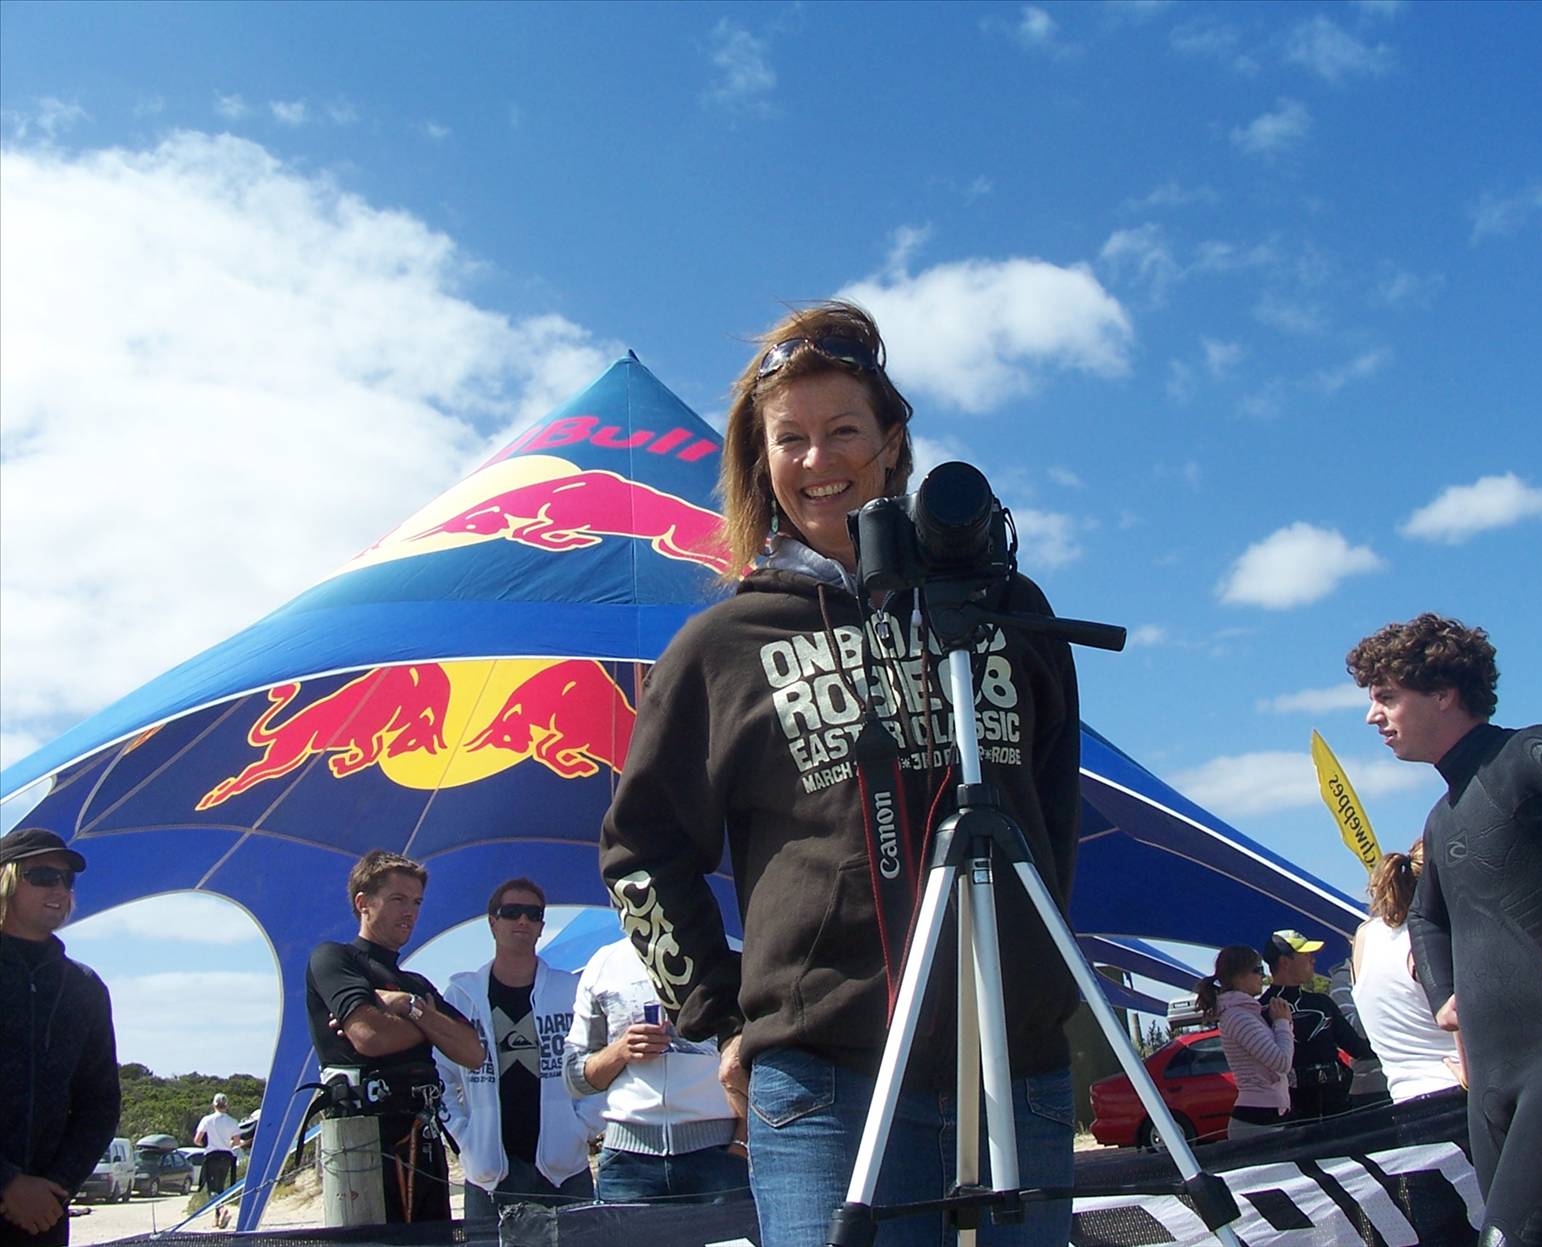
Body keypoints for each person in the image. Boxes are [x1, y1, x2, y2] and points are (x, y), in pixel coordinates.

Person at [599, 301, 1082, 1246]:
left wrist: (1034, 972)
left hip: (1017, 1062)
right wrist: (722, 1016)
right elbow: (638, 852)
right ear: (762, 461)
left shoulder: (1009, 609)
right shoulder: (723, 644)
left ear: (893, 443)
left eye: (844, 431)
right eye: (791, 439)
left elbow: (1052, 816)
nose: (818, 459)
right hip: (825, 1083)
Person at [1348, 612, 1542, 1246]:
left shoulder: (1523, 755)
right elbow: (1426, 917)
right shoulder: (1442, 816)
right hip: (1493, 1084)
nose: (1372, 716)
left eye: (1386, 696)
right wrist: (1445, 998)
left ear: (1443, 693)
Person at [305, 849, 484, 1224]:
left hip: (424, 1144)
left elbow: (473, 1052)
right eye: (398, 899)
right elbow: (370, 1036)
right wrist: (433, 1028)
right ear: (363, 904)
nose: (410, 912)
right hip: (362, 1147)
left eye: (417, 902)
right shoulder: (334, 959)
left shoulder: (416, 986)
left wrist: (409, 1007)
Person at [436, 877, 596, 1222]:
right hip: (489, 1173)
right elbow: (440, 1077)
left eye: (533, 914)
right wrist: (464, 1137)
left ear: (541, 926)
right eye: (511, 912)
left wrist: (582, 1126)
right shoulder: (461, 997)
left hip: (564, 1169)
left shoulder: (571, 991)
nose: (522, 921)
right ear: (492, 922)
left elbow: (600, 1061)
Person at [0, 828, 120, 1247]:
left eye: (67, 880)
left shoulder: (84, 988)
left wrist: (57, 1186)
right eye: (43, 876)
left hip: (42, 1217)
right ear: (7, 881)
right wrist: (7, 1183)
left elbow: (100, 1104)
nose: (60, 889)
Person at [565, 936, 747, 1203]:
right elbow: (574, 1078)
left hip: (719, 1156)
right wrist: (620, 1051)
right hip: (627, 1162)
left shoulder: (731, 954)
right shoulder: (603, 964)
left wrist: (742, 1144)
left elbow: (761, 1065)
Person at [1349, 842, 1462, 1103]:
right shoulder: (1433, 938)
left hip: (1403, 1097)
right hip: (1458, 1090)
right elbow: (1460, 1012)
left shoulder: (1365, 935)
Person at [1259, 929, 1373, 1121]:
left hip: (1338, 1107)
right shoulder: (1261, 1010)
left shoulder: (1322, 1003)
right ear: (1285, 962)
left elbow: (1357, 1048)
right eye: (1306, 955)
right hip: (1291, 1114)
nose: (1313, 960)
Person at [1193, 946, 1293, 1139]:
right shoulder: (1238, 1017)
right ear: (1238, 976)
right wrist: (1282, 1022)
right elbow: (1281, 1062)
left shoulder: (1247, 1014)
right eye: (1258, 970)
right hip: (1257, 1117)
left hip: (1268, 1113)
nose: (1263, 976)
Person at [194, 1093, 240, 1199]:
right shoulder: (233, 1121)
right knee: (220, 1185)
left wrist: (204, 1144)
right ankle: (220, 1207)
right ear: (226, 1105)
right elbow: (237, 1142)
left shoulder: (207, 1120)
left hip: (212, 1156)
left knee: (211, 1187)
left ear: (214, 1105)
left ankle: (218, 1206)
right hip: (226, 1157)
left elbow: (197, 1140)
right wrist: (228, 1144)